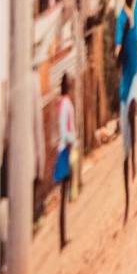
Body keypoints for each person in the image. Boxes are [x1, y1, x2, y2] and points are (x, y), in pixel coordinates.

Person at [115, 0, 137, 220]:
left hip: (136, 75)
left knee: (134, 107)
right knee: (122, 153)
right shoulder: (120, 18)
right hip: (124, 85)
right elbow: (116, 59)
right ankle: (126, 202)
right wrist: (123, 35)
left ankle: (135, 158)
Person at [52, 71, 75, 250]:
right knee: (62, 197)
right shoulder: (65, 104)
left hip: (65, 149)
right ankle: (61, 239)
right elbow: (64, 127)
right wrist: (72, 140)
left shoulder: (64, 103)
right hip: (64, 151)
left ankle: (63, 236)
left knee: (65, 193)